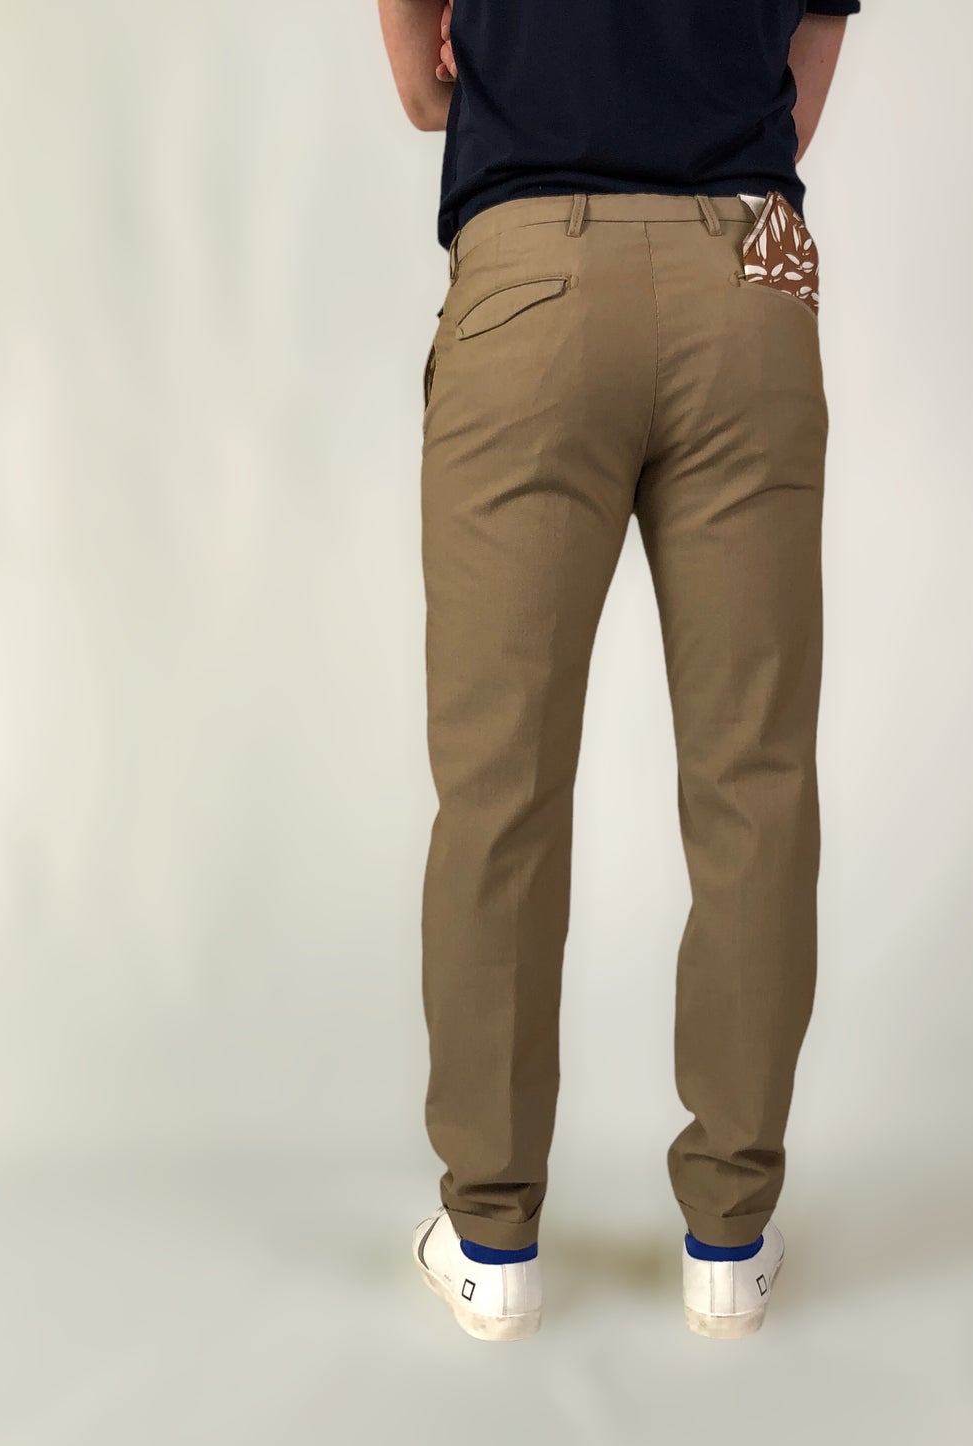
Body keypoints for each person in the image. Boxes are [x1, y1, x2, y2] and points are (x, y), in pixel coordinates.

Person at [378, 0, 856, 1340]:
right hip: (751, 268)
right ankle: (731, 1239)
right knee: (755, 776)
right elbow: (800, 80)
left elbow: (423, 92)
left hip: (531, 268)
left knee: (500, 785)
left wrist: (503, 56)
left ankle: (491, 1237)